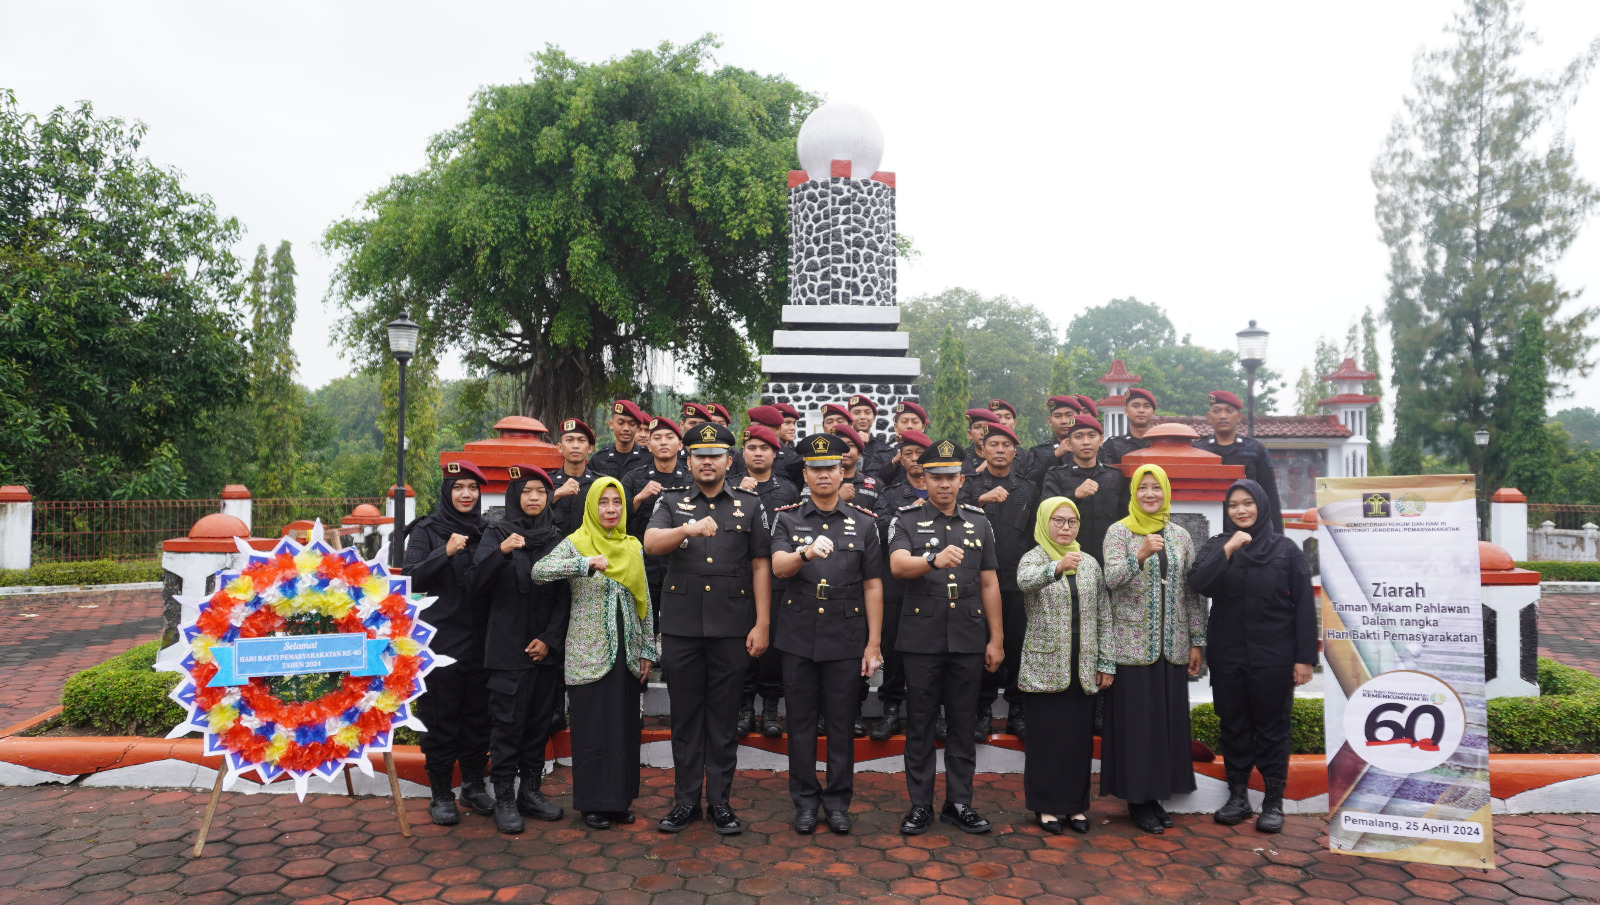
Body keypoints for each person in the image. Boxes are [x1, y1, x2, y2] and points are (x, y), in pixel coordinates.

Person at [644, 421, 772, 835]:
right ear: (689, 459)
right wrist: (686, 528)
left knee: (722, 719)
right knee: (684, 719)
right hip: (682, 627)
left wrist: (763, 622)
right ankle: (685, 802)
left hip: (733, 628)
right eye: (699, 455)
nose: (707, 462)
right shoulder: (671, 500)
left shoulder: (750, 506)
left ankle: (720, 802)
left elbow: (760, 566)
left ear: (728, 461)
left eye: (715, 455)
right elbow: (650, 543)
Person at [887, 438, 1005, 836]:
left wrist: (997, 639)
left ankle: (959, 803)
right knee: (919, 723)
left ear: (962, 479)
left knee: (961, 722)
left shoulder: (979, 521)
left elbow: (989, 582)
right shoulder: (905, 518)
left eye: (951, 477)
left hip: (969, 636)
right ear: (924, 479)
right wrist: (932, 560)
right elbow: (898, 566)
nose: (944, 485)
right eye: (935, 477)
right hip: (921, 638)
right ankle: (920, 805)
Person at [770, 433, 885, 834]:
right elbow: (778, 568)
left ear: (842, 473)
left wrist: (873, 643)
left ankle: (837, 802)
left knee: (840, 724)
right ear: (805, 474)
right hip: (799, 634)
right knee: (800, 725)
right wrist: (804, 553)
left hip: (846, 635)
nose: (823, 475)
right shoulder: (787, 518)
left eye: (830, 468)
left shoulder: (865, 524)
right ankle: (804, 801)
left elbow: (873, 585)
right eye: (815, 469)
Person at [1187, 478, 1316, 834]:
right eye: (1233, 505)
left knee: (1273, 729)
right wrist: (1229, 549)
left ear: (1261, 505)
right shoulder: (1217, 544)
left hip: (1274, 656)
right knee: (1234, 726)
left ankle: (1273, 801)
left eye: (1247, 503)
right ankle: (1238, 797)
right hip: (1229, 655)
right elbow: (1199, 583)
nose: (1241, 510)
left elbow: (1304, 605)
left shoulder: (1286, 550)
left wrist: (1304, 658)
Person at [532, 478, 659, 830]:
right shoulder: (575, 544)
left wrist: (648, 649)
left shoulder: (632, 546)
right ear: (591, 507)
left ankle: (619, 802)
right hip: (588, 654)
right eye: (602, 503)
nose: (610, 510)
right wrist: (584, 564)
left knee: (623, 729)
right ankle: (593, 804)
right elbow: (539, 571)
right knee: (592, 729)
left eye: (616, 503)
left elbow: (644, 602)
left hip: (627, 653)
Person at [1099, 464, 1206, 834]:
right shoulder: (1119, 532)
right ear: (1134, 493)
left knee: (1164, 725)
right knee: (1137, 727)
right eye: (1143, 488)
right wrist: (1139, 554)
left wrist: (1197, 640)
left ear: (1165, 492)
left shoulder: (1180, 536)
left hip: (1172, 646)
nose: (1149, 494)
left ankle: (1157, 795)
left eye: (1156, 488)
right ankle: (1138, 800)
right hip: (1131, 648)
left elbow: (1190, 592)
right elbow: (1110, 581)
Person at [472, 464, 569, 833]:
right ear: (515, 496)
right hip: (507, 650)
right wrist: (499, 552)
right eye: (526, 491)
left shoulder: (557, 538)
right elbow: (475, 586)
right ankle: (505, 798)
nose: (533, 498)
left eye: (540, 492)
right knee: (507, 727)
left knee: (536, 725)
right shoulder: (496, 532)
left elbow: (565, 596)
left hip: (544, 650)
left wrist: (549, 639)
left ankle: (531, 792)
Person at [1016, 497, 1114, 835]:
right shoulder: (1034, 558)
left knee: (1077, 743)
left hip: (1082, 667)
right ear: (1045, 522)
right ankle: (1046, 807)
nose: (1065, 527)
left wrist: (1106, 662)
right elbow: (1024, 583)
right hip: (1044, 667)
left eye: (1071, 521)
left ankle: (1075, 807)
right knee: (1047, 741)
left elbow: (1103, 613)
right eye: (1058, 521)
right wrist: (1056, 568)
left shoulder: (1088, 563)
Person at [406, 460, 494, 826]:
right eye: (458, 487)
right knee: (441, 718)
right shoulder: (427, 530)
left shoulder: (489, 529)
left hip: (482, 639)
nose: (466, 494)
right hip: (440, 642)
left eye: (472, 488)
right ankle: (441, 793)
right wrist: (444, 552)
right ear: (447, 491)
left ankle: (473, 786)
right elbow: (409, 579)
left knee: (478, 716)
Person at [965, 420, 1037, 741]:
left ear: (1015, 452)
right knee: (981, 647)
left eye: (1006, 446)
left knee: (1017, 646)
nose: (1000, 450)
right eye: (993, 444)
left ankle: (1017, 711)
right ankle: (981, 710)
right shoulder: (967, 485)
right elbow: (950, 514)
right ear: (982, 448)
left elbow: (1037, 534)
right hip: (975, 582)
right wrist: (981, 499)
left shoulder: (1028, 488)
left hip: (1015, 581)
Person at [734, 423, 801, 738]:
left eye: (764, 448)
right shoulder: (731, 486)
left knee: (772, 645)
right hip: (740, 577)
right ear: (743, 452)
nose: (757, 453)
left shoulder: (788, 490)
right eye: (751, 448)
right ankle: (745, 706)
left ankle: (771, 708)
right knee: (744, 643)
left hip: (777, 578)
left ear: (775, 453)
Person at [869, 430, 931, 742]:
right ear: (901, 459)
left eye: (921, 452)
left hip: (933, 586)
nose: (916, 459)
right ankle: (891, 710)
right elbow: (881, 533)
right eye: (909, 453)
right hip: (897, 586)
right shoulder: (890, 495)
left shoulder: (947, 493)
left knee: (931, 653)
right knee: (894, 651)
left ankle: (928, 714)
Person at [622, 417, 689, 619]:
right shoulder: (633, 478)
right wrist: (640, 497)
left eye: (670, 437)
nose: (663, 442)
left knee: (678, 624)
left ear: (680, 444)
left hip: (681, 565)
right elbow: (617, 517)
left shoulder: (692, 480)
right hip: (642, 565)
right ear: (649, 446)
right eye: (657, 438)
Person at [1041, 415, 1127, 564]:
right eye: (1079, 437)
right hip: (1068, 559)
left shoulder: (1115, 476)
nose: (1086, 442)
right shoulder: (1056, 475)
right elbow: (1046, 512)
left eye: (1092, 436)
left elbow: (1125, 517)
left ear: (1101, 440)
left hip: (1110, 559)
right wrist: (1075, 495)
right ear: (1068, 442)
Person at [1193, 390, 1283, 517]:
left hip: (1247, 521)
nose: (1223, 416)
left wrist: (1275, 535)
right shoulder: (1198, 449)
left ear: (1239, 417)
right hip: (1208, 519)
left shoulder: (1255, 450)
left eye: (1229, 411)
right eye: (1216, 411)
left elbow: (1269, 494)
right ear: (1209, 417)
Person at [819, 423, 882, 515]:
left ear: (859, 453)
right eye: (839, 446)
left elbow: (880, 522)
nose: (844, 450)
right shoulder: (818, 481)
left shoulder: (876, 485)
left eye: (850, 445)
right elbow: (808, 517)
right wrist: (838, 498)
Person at [550, 419, 600, 533]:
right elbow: (535, 517)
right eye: (569, 440)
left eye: (581, 440)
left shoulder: (598, 483)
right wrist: (556, 495)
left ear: (590, 448)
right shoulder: (547, 483)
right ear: (560, 447)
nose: (575, 446)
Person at [731, 405, 802, 484]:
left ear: (778, 429)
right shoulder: (740, 456)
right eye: (752, 427)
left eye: (760, 427)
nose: (755, 431)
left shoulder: (792, 457)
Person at [1023, 396, 1083, 487]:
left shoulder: (1091, 448)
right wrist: (1054, 456)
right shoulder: (1038, 452)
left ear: (1079, 417)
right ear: (1050, 421)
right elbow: (1029, 483)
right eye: (1057, 416)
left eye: (1069, 415)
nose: (1064, 421)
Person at [591, 400, 650, 479]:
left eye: (631, 424)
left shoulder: (650, 459)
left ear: (638, 426)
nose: (626, 428)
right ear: (611, 424)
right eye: (620, 423)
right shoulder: (597, 460)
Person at [873, 400, 928, 485]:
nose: (910, 426)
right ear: (895, 427)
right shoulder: (881, 457)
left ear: (923, 427)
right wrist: (893, 463)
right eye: (904, 421)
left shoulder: (932, 455)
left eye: (915, 422)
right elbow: (871, 484)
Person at [1101, 388, 1158, 466]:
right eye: (1135, 406)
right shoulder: (1113, 445)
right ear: (1126, 411)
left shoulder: (1160, 444)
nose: (1141, 410)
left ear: (1153, 412)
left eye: (1146, 406)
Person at [847, 394, 896, 480]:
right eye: (857, 413)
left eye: (867, 412)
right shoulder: (841, 448)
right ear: (850, 418)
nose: (862, 417)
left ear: (874, 417)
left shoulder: (886, 450)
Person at [962, 408, 1000, 475]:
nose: (982, 432)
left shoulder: (1007, 456)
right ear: (970, 434)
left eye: (986, 428)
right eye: (977, 427)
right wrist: (980, 470)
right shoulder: (962, 460)